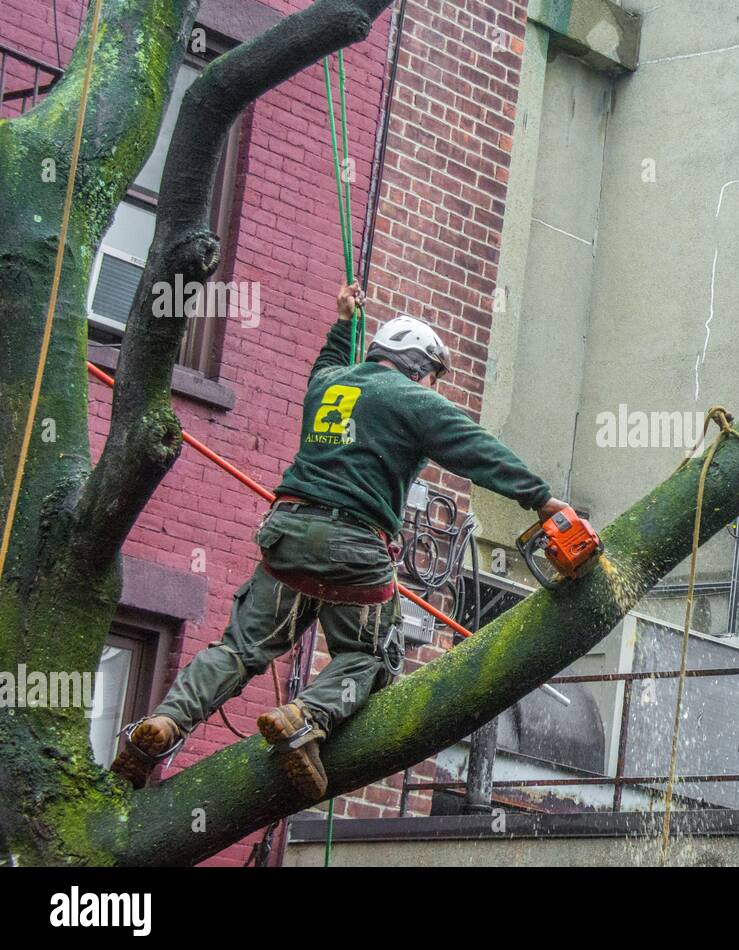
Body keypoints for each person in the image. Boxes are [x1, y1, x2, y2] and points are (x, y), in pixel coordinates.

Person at [111, 280, 567, 799]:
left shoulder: (327, 384)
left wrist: (345, 320)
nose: (433, 388)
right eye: (433, 377)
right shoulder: (412, 399)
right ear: (418, 366)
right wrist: (542, 499)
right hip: (355, 547)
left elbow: (326, 359)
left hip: (288, 535)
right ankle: (304, 717)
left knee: (239, 648)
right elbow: (478, 452)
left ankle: (166, 723)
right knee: (369, 657)